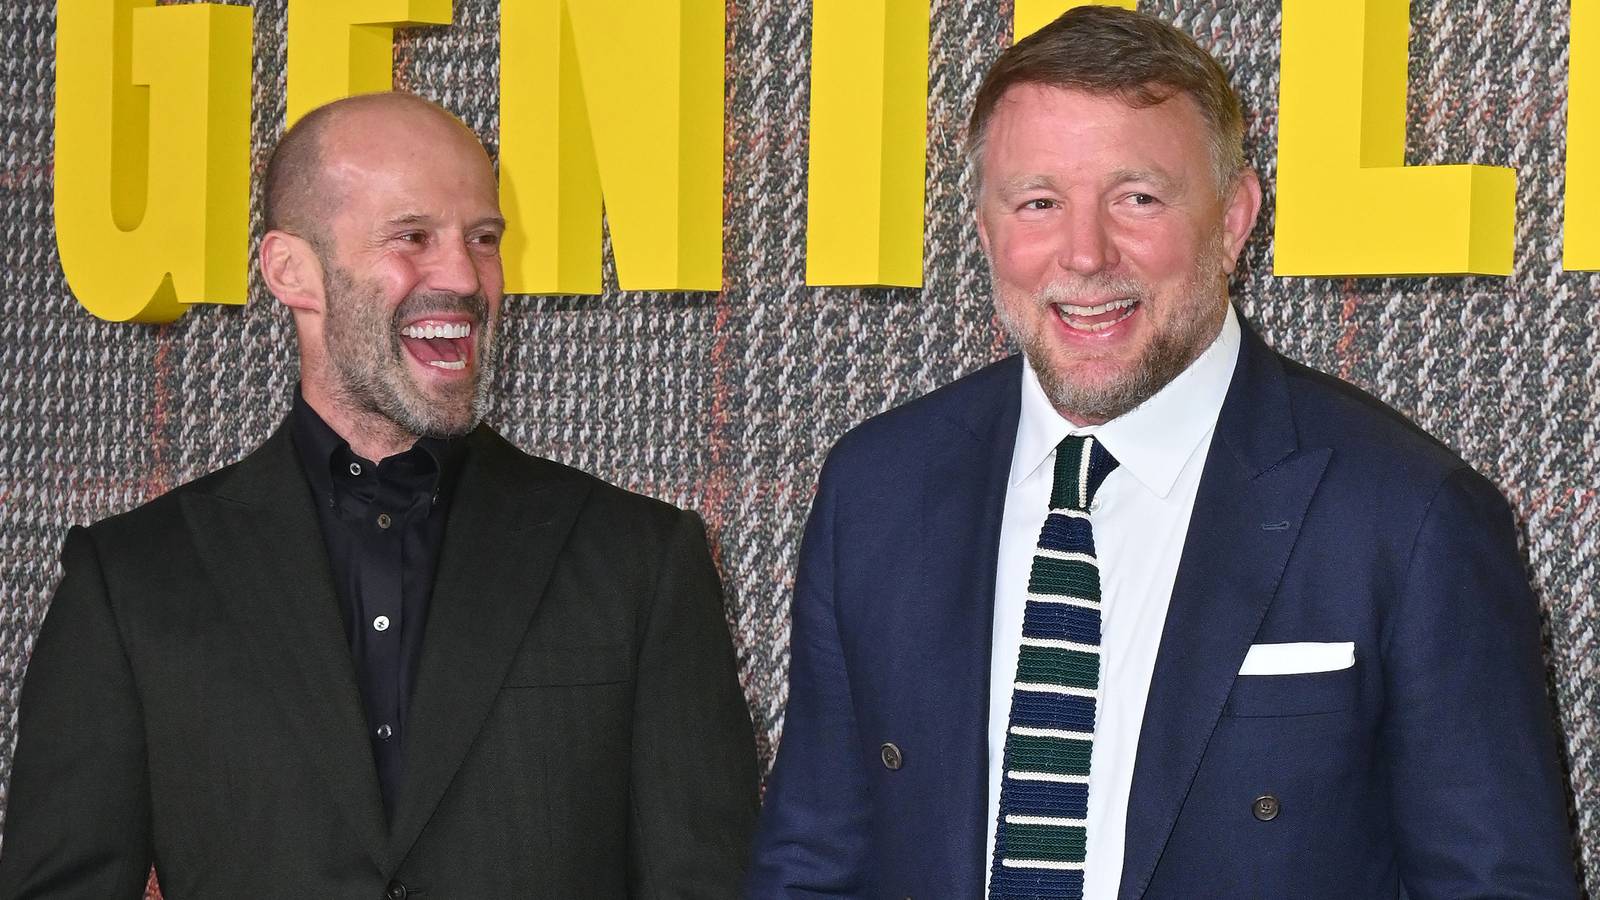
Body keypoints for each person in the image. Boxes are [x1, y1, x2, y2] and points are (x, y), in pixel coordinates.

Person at [747, 8, 1577, 898]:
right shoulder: (877, 491)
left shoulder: (1409, 516)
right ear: (986, 232)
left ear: (1233, 218)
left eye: (1137, 198)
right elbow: (813, 862)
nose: (1085, 252)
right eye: (1038, 202)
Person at [1, 92, 758, 898]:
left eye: (483, 238)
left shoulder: (639, 560)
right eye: (413, 237)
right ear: (293, 271)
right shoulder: (133, 579)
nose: (465, 277)